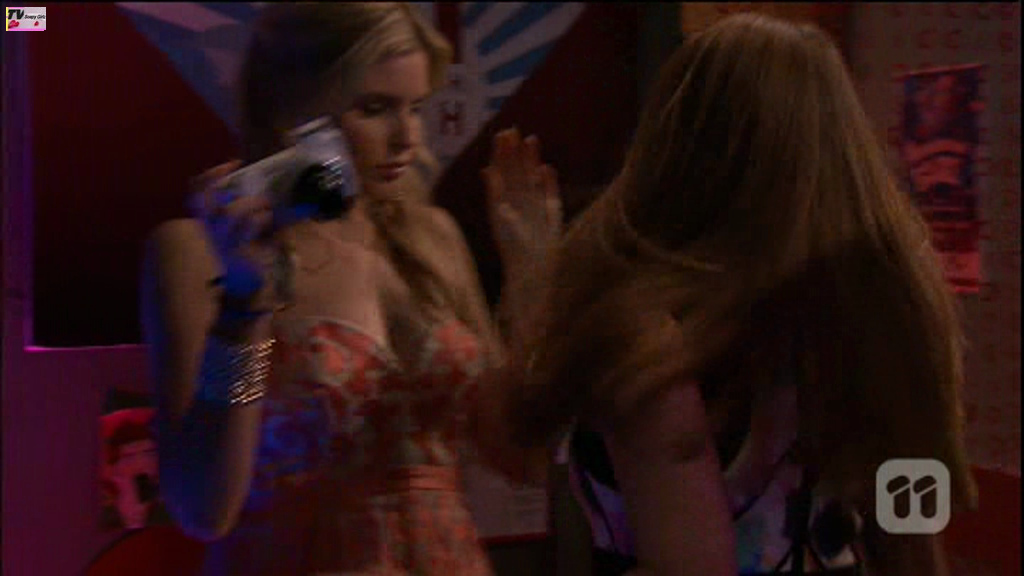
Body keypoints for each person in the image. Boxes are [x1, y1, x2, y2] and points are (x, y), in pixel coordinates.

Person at [495, 13, 977, 576]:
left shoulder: (649, 340)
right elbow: (911, 531)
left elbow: (525, 447)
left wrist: (531, 274)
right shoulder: (875, 313)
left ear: (676, 148)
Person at [139, 3, 560, 574]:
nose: (408, 138)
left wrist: (532, 276)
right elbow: (205, 507)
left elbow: (524, 460)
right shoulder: (196, 251)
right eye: (375, 108)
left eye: (417, 107)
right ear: (290, 107)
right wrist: (244, 304)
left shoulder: (432, 238)